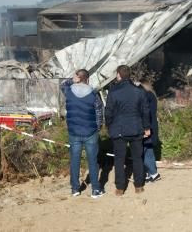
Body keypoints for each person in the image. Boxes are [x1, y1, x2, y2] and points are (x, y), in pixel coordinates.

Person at [105, 65, 150, 195]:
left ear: (118, 75)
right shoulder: (139, 91)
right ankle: (139, 185)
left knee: (119, 159)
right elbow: (145, 111)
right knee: (137, 158)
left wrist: (109, 126)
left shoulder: (113, 92)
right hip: (136, 128)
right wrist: (146, 127)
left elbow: (108, 112)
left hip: (118, 129)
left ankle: (120, 188)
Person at [61, 69, 104, 198]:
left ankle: (75, 188)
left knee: (75, 160)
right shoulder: (93, 94)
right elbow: (99, 113)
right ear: (88, 79)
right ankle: (95, 189)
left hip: (74, 131)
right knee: (93, 161)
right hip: (90, 131)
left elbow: (62, 85)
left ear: (77, 78)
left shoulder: (68, 91)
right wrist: (97, 127)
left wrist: (71, 80)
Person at [138, 81, 161, 183]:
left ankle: (153, 173)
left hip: (147, 126)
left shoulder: (146, 96)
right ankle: (150, 173)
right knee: (148, 150)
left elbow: (144, 112)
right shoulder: (151, 95)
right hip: (152, 125)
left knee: (143, 150)